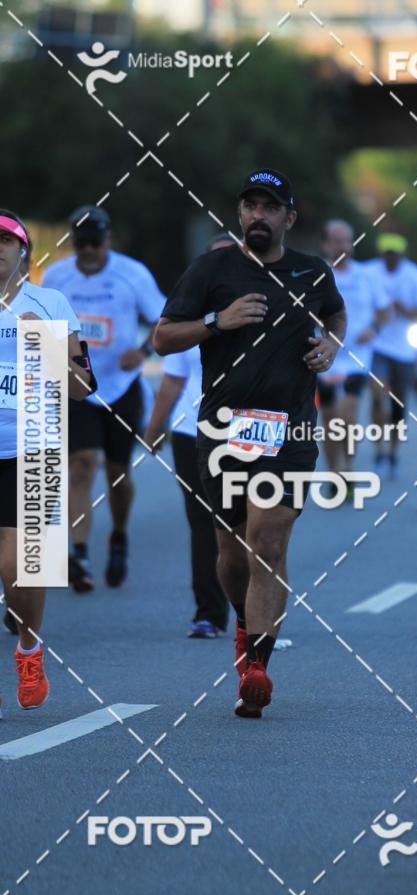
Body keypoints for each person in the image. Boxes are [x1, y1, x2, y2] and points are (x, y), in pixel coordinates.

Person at [154, 168, 346, 717]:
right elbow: (163, 337)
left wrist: (331, 342)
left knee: (268, 543)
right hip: (223, 431)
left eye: (269, 207)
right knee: (232, 551)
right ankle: (243, 621)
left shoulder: (312, 270)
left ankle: (257, 667)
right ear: (240, 214)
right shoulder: (212, 269)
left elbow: (335, 311)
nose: (258, 216)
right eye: (250, 207)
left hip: (289, 428)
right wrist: (218, 321)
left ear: (289, 217)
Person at [42, 206, 165, 592]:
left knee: (117, 473)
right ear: (72, 243)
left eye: (96, 242)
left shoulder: (132, 274)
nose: (90, 251)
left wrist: (143, 352)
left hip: (122, 385)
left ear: (108, 239)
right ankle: (79, 553)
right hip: (77, 385)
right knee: (81, 465)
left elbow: (164, 318)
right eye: (82, 244)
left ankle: (119, 535)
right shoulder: (57, 276)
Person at [0, 210, 94, 714]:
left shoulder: (51, 302)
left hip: (34, 448)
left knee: (20, 567)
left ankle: (29, 649)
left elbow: (82, 388)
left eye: (5, 241)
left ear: (24, 254)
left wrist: (51, 345)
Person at [143, 234, 233, 639]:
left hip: (249, 432)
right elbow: (173, 379)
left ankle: (254, 617)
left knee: (248, 526)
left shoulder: (262, 307)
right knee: (202, 523)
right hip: (190, 431)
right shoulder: (190, 315)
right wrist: (153, 427)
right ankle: (209, 614)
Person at [317, 220, 387, 495]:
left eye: (347, 240)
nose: (343, 247)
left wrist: (373, 328)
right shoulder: (317, 273)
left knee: (347, 416)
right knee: (329, 418)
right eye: (336, 241)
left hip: (358, 358)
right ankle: (334, 474)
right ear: (325, 244)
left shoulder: (366, 275)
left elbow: (383, 310)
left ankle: (348, 466)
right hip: (326, 357)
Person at [365, 233, 417, 478]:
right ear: (381, 253)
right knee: (376, 397)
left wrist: (403, 309)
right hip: (377, 346)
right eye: (387, 253)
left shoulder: (414, 275)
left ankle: (392, 451)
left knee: (398, 405)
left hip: (405, 349)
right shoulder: (369, 273)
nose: (390, 258)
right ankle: (379, 450)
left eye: (395, 254)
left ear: (402, 254)